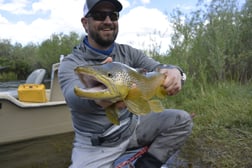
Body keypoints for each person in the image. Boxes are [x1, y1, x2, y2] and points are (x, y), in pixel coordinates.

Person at [58, 0, 193, 167]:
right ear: (85, 23)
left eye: (113, 15)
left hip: (132, 128)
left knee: (181, 120)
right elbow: (73, 95)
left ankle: (146, 165)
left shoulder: (128, 52)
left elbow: (158, 67)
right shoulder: (71, 64)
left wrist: (176, 72)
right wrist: (98, 100)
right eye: (100, 15)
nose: (108, 21)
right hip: (96, 145)